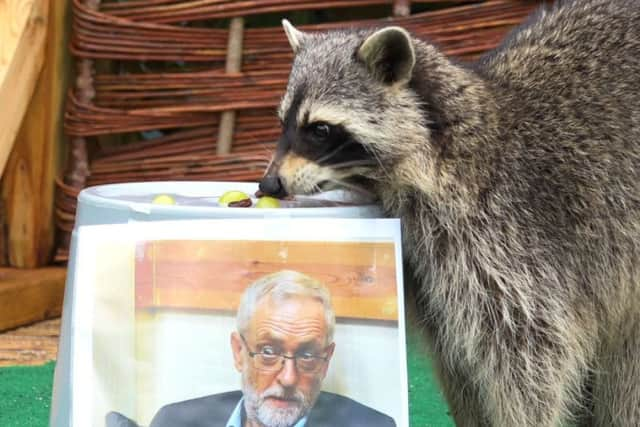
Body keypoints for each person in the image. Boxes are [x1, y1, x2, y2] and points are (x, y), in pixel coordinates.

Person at [148, 269, 397, 427]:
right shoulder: (173, 422)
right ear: (238, 352)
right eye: (268, 352)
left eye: (307, 355)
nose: (288, 378)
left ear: (326, 361)